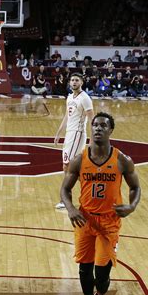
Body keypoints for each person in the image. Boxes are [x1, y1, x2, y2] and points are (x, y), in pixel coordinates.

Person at [60, 112, 141, 295]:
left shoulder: (122, 160)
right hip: (84, 220)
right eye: (95, 125)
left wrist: (131, 206)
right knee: (84, 270)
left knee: (102, 273)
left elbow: (135, 187)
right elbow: (64, 189)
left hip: (109, 222)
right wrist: (70, 208)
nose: (98, 128)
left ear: (110, 130)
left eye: (103, 126)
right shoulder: (79, 159)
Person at [54, 73, 93, 209]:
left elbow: (92, 120)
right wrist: (59, 132)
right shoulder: (70, 97)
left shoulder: (85, 98)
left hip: (78, 134)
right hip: (69, 134)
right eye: (72, 80)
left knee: (67, 167)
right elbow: (67, 116)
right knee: (72, 169)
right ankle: (92, 192)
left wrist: (92, 140)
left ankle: (65, 199)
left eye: (77, 80)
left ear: (81, 82)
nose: (74, 82)